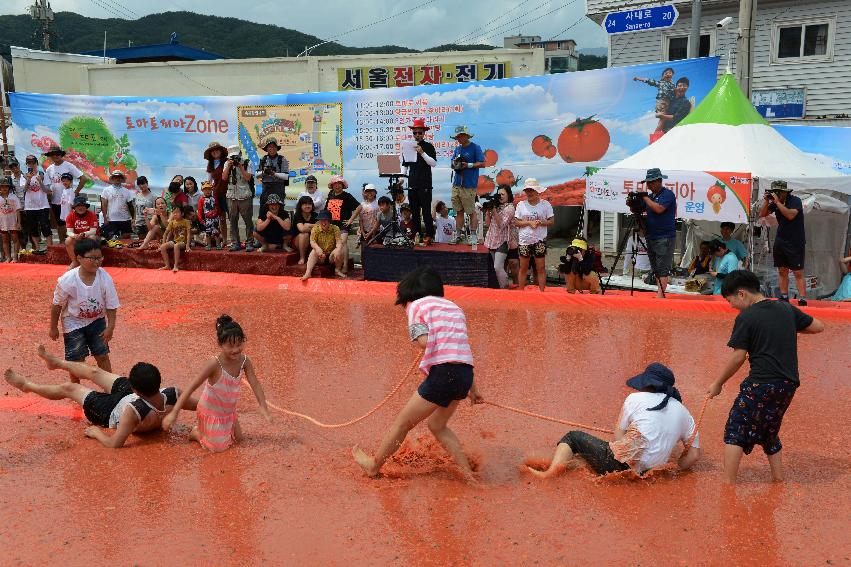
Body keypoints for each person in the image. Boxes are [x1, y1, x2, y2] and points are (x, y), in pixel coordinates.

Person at [353, 267, 483, 478]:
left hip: (443, 373)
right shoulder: (455, 308)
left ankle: (373, 465)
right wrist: (474, 390)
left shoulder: (417, 305)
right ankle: (467, 473)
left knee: (403, 423)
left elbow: (422, 341)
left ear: (409, 294)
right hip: (464, 375)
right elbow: (460, 351)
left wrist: (424, 341)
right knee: (438, 425)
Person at [707, 270, 824, 483]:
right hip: (788, 384)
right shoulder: (785, 307)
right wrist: (788, 328)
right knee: (770, 428)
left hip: (762, 382)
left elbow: (738, 357)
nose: (731, 305)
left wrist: (718, 383)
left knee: (736, 427)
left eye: (730, 300)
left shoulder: (746, 317)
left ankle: (728, 483)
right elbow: (818, 326)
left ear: (741, 294)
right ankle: (778, 479)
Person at [527, 363, 701, 478]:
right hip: (651, 473)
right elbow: (693, 456)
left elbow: (619, 437)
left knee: (573, 437)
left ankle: (549, 473)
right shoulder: (686, 414)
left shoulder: (635, 398)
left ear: (647, 384)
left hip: (619, 464)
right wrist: (676, 468)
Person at [5, 347, 191, 449]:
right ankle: (58, 363)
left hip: (110, 410)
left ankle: (27, 386)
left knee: (70, 388)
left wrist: (96, 433)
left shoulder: (133, 412)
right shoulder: (173, 394)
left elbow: (114, 444)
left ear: (136, 389)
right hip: (133, 397)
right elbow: (202, 405)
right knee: (94, 371)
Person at [162, 315, 272, 452]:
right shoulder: (215, 363)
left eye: (239, 344)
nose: (236, 350)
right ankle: (197, 433)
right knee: (217, 449)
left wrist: (263, 406)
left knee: (239, 440)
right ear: (220, 344)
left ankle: (211, 431)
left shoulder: (244, 361)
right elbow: (191, 388)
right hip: (211, 411)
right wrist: (174, 413)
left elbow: (255, 384)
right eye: (230, 346)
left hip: (228, 410)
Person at [50, 238, 119, 375]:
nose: (97, 261)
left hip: (97, 320)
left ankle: (112, 389)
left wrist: (110, 327)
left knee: (102, 355)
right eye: (92, 258)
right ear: (79, 258)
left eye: (99, 257)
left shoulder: (105, 277)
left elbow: (111, 305)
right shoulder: (67, 279)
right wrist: (53, 328)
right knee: (76, 360)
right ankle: (76, 390)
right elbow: (57, 305)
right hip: (73, 322)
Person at [759, 180, 808, 306]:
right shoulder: (776, 203)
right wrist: (766, 201)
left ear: (784, 192)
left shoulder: (795, 200)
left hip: (795, 241)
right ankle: (784, 296)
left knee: (797, 271)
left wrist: (777, 202)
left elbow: (790, 215)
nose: (776, 194)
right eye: (774, 192)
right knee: (782, 270)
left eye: (778, 192)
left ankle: (802, 298)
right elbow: (762, 214)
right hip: (781, 240)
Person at [636, 168, 677, 298]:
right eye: (647, 183)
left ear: (659, 181)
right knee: (655, 268)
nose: (648, 185)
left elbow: (659, 209)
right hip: (651, 236)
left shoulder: (667, 194)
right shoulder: (651, 196)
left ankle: (660, 296)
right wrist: (634, 203)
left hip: (664, 237)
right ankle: (659, 294)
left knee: (662, 268)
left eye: (650, 182)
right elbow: (640, 208)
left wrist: (644, 196)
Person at [402, 118, 438, 245]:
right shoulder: (408, 146)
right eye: (415, 133)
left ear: (424, 133)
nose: (417, 135)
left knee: (426, 211)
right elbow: (405, 165)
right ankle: (417, 234)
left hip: (425, 184)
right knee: (415, 211)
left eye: (419, 133)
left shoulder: (428, 146)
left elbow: (433, 163)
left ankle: (429, 235)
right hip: (412, 183)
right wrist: (402, 177)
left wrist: (422, 153)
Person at [43, 145, 90, 242]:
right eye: (52, 154)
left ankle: (72, 245)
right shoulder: (49, 169)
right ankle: (62, 244)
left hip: (68, 201)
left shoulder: (68, 165)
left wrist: (76, 192)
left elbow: (84, 178)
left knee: (70, 224)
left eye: (57, 154)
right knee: (60, 224)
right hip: (55, 201)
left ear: (61, 155)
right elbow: (47, 186)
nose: (55, 156)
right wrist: (48, 197)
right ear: (50, 156)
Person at [514, 178, 554, 292]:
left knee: (540, 268)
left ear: (537, 191)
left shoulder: (545, 204)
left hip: (539, 240)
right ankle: (521, 292)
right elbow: (516, 222)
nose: (529, 193)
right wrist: (529, 222)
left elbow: (551, 221)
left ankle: (542, 292)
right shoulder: (521, 204)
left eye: (532, 190)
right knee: (523, 268)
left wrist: (541, 222)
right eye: (527, 190)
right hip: (524, 241)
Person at [449, 125, 485, 245]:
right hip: (457, 184)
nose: (458, 139)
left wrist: (468, 165)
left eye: (460, 136)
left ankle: (473, 236)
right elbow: (452, 162)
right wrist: (454, 164)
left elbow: (482, 163)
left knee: (471, 212)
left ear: (466, 136)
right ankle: (458, 235)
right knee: (458, 211)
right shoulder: (457, 149)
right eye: (457, 137)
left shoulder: (475, 147)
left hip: (469, 185)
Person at [223, 144, 256, 252]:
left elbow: (247, 177)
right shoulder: (227, 163)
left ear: (240, 153)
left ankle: (249, 242)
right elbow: (224, 178)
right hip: (231, 195)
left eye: (236, 156)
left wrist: (240, 166)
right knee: (232, 220)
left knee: (248, 220)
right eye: (232, 157)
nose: (234, 159)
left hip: (245, 195)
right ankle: (235, 242)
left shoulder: (247, 162)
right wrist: (228, 166)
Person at [483, 185, 517, 289]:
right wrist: (488, 211)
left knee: (497, 267)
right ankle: (501, 287)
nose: (501, 196)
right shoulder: (497, 206)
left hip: (503, 241)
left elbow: (501, 225)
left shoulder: (510, 208)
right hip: (492, 239)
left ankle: (505, 286)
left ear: (508, 195)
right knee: (498, 268)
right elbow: (488, 224)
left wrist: (493, 210)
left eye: (503, 194)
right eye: (499, 194)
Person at [325, 175, 359, 277]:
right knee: (341, 245)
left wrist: (351, 220)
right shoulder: (330, 196)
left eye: (339, 183)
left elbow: (359, 207)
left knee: (342, 243)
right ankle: (341, 264)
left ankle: (344, 266)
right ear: (332, 185)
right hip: (332, 225)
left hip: (343, 224)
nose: (337, 185)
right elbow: (326, 210)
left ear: (343, 185)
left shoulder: (347, 196)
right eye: (335, 184)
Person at [21, 154, 52, 253]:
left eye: (33, 163)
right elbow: (24, 190)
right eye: (29, 163)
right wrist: (28, 180)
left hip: (43, 205)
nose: (31, 165)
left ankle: (50, 248)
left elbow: (48, 191)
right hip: (30, 206)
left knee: (45, 226)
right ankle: (38, 248)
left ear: (36, 163)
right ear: (27, 164)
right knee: (33, 228)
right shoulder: (24, 175)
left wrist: (40, 181)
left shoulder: (43, 174)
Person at [302, 210, 345, 280]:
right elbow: (312, 242)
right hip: (320, 256)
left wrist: (338, 250)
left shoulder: (335, 228)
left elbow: (339, 242)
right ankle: (308, 272)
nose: (323, 222)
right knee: (313, 251)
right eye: (321, 220)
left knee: (341, 250)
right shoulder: (315, 229)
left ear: (329, 221)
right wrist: (318, 249)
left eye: (326, 220)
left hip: (331, 256)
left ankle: (337, 270)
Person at [256, 137, 289, 219]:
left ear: (277, 148)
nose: (272, 148)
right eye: (269, 146)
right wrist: (264, 172)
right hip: (266, 189)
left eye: (274, 146)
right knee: (263, 212)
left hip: (278, 188)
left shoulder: (282, 159)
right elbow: (256, 174)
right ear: (266, 148)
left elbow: (286, 176)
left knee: (279, 212)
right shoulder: (263, 159)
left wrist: (274, 173)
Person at [64, 196, 99, 268]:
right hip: (77, 237)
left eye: (83, 205)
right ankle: (75, 261)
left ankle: (91, 260)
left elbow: (93, 231)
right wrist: (75, 236)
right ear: (74, 207)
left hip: (89, 236)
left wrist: (83, 234)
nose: (81, 208)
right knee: (68, 240)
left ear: (86, 207)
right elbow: (69, 232)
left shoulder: (92, 214)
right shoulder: (70, 216)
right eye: (78, 206)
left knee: (92, 238)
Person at [100, 170, 135, 241]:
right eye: (115, 177)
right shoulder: (106, 190)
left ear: (122, 179)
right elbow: (104, 205)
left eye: (119, 177)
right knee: (112, 240)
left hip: (125, 219)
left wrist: (133, 219)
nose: (117, 178)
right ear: (112, 178)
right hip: (111, 220)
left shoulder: (126, 191)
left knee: (127, 239)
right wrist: (105, 218)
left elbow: (130, 206)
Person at [204, 141, 229, 239]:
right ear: (210, 153)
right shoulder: (210, 165)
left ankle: (235, 241)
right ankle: (225, 241)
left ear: (221, 151)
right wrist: (206, 193)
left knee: (232, 217)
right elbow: (209, 181)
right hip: (217, 193)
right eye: (212, 151)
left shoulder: (227, 161)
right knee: (222, 218)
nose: (214, 152)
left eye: (216, 150)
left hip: (229, 192)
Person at [159, 205, 191, 273]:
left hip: (183, 242)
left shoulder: (186, 222)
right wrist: (164, 243)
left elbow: (188, 234)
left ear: (182, 213)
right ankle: (167, 265)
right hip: (175, 241)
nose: (175, 214)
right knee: (162, 247)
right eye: (173, 212)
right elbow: (165, 234)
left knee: (176, 245)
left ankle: (175, 266)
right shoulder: (172, 222)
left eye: (177, 212)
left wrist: (187, 246)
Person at [0, 176, 22, 263]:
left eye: (6, 186)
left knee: (15, 239)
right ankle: (8, 257)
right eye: (2, 186)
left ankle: (15, 257)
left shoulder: (14, 197)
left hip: (13, 221)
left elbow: (18, 211)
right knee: (5, 239)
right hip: (2, 222)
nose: (4, 188)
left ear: (9, 187)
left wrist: (19, 222)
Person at [291, 195, 317, 265]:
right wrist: (313, 227)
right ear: (300, 206)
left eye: (309, 204)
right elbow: (301, 229)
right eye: (305, 204)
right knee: (304, 234)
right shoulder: (298, 215)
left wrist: (308, 225)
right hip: (297, 241)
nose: (307, 206)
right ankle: (302, 257)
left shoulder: (315, 215)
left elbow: (320, 227)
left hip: (311, 241)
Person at [197, 180, 223, 250]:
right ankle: (209, 244)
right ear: (202, 190)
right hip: (207, 219)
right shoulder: (201, 199)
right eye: (206, 190)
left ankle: (218, 244)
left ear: (211, 189)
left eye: (209, 189)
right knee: (208, 232)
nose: (208, 191)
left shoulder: (214, 198)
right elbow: (199, 210)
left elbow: (218, 206)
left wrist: (220, 215)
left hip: (215, 218)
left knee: (216, 232)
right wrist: (201, 219)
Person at [132, 176, 155, 241]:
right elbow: (135, 209)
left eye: (143, 184)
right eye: (139, 184)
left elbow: (155, 211)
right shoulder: (137, 195)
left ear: (147, 184)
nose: (141, 186)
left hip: (149, 222)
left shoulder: (153, 196)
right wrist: (134, 220)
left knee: (150, 241)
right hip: (139, 223)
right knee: (141, 241)